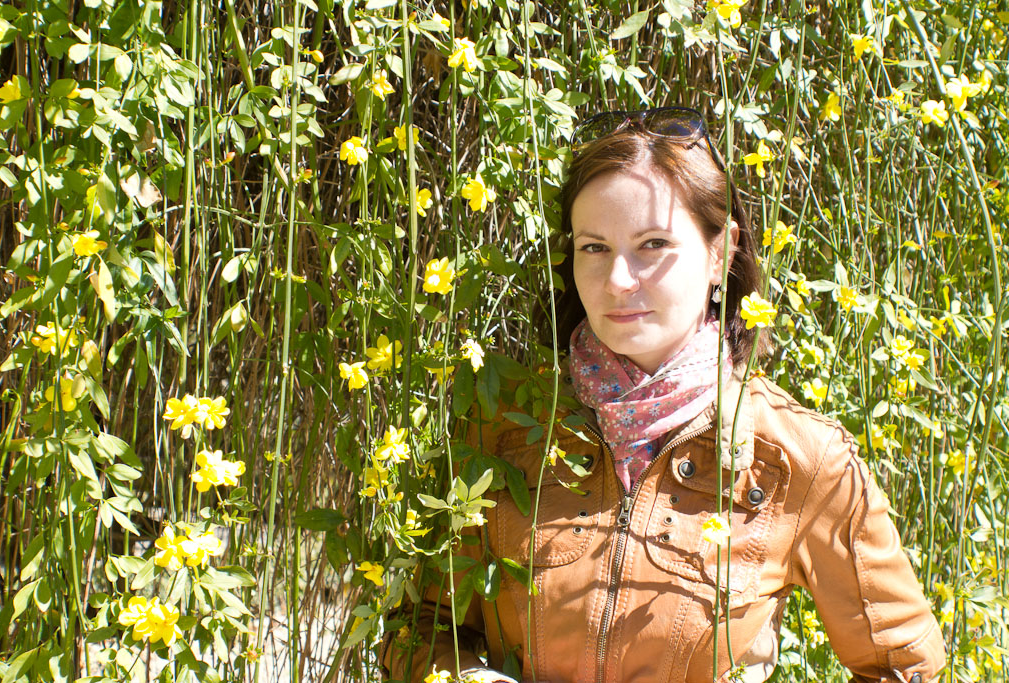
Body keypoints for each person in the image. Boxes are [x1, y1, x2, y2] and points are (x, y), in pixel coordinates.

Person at [383, 107, 946, 683]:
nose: (617, 280)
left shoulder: (801, 457)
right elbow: (418, 629)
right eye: (594, 248)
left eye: (652, 244)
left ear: (721, 253)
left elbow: (906, 667)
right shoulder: (502, 424)